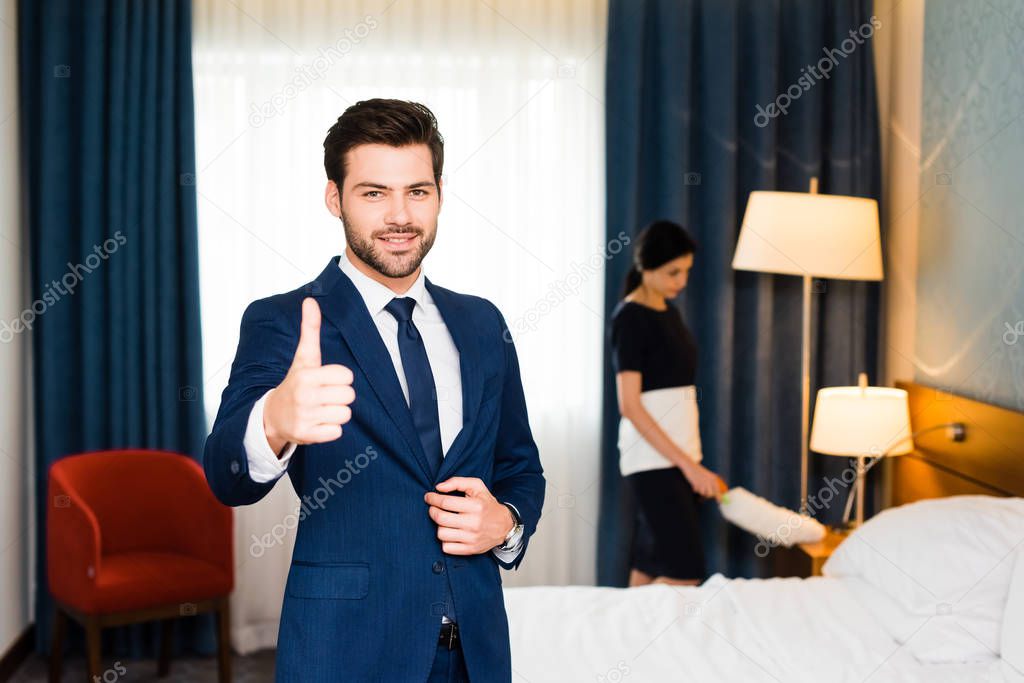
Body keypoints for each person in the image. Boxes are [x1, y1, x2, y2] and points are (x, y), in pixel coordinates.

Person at [203, 98, 545, 682]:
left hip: (476, 650)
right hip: (347, 649)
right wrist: (274, 423)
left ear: (439, 193)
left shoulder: (484, 323)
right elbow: (225, 476)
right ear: (334, 197)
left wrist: (507, 525)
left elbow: (520, 465)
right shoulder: (284, 320)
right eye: (372, 192)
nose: (399, 215)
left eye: (417, 191)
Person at [609, 220, 725, 587]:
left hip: (678, 453)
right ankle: (659, 642)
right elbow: (630, 404)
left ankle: (626, 637)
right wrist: (689, 467)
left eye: (686, 271)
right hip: (654, 459)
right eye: (673, 272)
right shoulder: (629, 319)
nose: (683, 281)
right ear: (647, 266)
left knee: (650, 559)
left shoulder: (670, 312)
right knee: (684, 570)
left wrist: (690, 461)